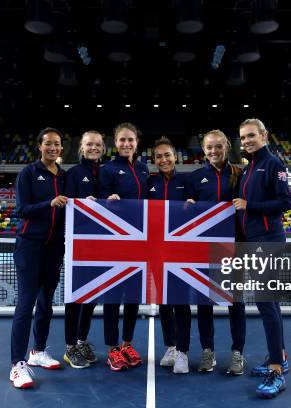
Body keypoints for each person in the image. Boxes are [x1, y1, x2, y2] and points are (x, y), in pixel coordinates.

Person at [233, 118, 291, 398]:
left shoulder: (273, 165)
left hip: (268, 243)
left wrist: (249, 206)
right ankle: (279, 357)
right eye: (243, 137)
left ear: (264, 135)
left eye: (251, 136)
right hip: (253, 244)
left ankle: (277, 372)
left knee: (266, 304)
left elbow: (285, 203)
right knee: (272, 305)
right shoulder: (249, 168)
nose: (246, 141)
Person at [9, 127, 68, 389]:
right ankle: (17, 365)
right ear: (39, 146)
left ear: (61, 148)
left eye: (56, 144)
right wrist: (49, 203)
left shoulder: (64, 176)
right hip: (29, 247)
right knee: (26, 303)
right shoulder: (28, 174)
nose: (52, 148)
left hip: (54, 248)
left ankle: (38, 352)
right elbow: (21, 210)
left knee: (46, 302)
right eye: (48, 144)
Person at [184, 129, 247, 375]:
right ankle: (207, 352)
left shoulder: (240, 175)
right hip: (204, 250)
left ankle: (237, 353)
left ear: (226, 148)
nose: (213, 151)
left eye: (218, 146)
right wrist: (187, 206)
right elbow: (187, 213)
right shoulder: (196, 177)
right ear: (203, 149)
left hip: (235, 248)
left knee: (236, 303)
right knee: (204, 303)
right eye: (209, 147)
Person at [99, 122, 149, 371]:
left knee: (133, 297)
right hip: (115, 243)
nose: (126, 144)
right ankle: (112, 350)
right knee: (112, 297)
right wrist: (109, 200)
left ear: (137, 142)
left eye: (130, 139)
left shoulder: (143, 169)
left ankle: (127, 344)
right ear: (115, 143)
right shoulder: (107, 170)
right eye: (121, 140)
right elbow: (101, 202)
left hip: (140, 244)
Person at [147, 137, 191, 374]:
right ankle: (171, 347)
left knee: (181, 302)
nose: (163, 160)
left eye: (167, 155)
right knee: (164, 301)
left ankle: (183, 352)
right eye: (158, 156)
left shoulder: (187, 181)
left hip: (181, 251)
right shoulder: (149, 183)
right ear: (154, 161)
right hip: (156, 251)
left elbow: (200, 210)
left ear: (175, 157)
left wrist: (193, 205)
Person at [63, 130, 105, 369]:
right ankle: (70, 347)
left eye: (97, 144)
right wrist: (80, 204)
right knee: (75, 297)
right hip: (79, 246)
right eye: (89, 144)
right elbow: (66, 203)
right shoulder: (74, 174)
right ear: (81, 146)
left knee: (90, 296)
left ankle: (81, 341)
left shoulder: (104, 172)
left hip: (100, 246)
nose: (94, 148)